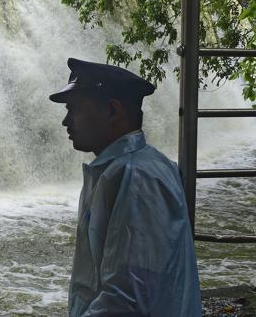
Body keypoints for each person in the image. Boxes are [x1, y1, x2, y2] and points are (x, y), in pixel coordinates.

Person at [49, 58, 202, 317]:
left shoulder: (137, 179)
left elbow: (128, 297)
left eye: (74, 109)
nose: (66, 121)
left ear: (112, 111)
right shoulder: (129, 167)